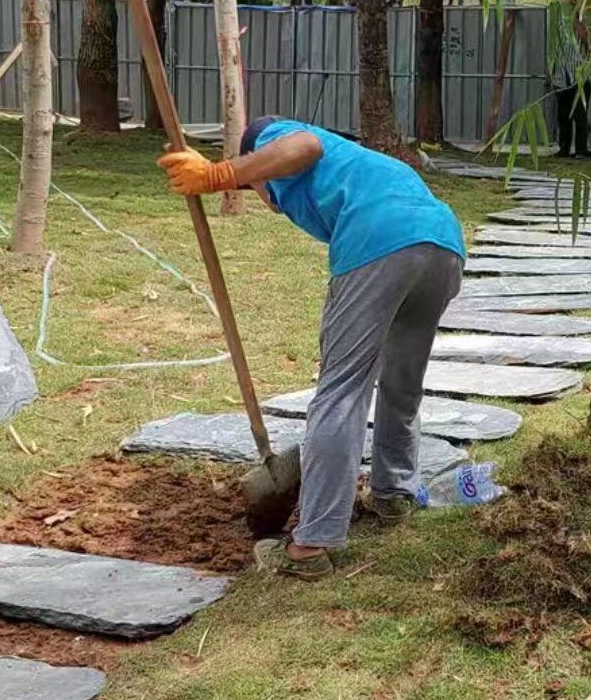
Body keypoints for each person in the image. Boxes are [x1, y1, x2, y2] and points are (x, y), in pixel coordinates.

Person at [158, 118, 465, 581]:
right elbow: (290, 171)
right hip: (444, 246)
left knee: (341, 391)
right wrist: (225, 177)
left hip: (380, 243)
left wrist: (220, 174)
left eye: (254, 181)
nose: (261, 197)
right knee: (402, 384)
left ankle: (312, 545)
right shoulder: (358, 165)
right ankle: (394, 495)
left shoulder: (281, 135)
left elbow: (304, 146)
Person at [552, 0, 591, 159]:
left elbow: (588, 41)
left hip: (580, 76)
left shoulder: (584, 22)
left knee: (580, 115)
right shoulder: (559, 22)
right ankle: (564, 149)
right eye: (568, 2)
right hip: (561, 76)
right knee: (563, 116)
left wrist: (577, 22)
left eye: (573, 2)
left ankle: (581, 150)